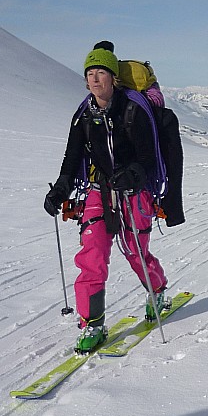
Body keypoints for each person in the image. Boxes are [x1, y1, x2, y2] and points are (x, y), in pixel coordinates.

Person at [43, 43, 170, 353]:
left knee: (134, 249)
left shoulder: (133, 109)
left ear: (114, 78)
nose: (95, 79)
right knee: (92, 252)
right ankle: (93, 324)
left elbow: (148, 156)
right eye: (90, 74)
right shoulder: (83, 116)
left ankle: (158, 293)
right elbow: (72, 157)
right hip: (99, 190)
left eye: (101, 73)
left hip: (133, 191)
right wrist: (60, 189)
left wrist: (135, 174)